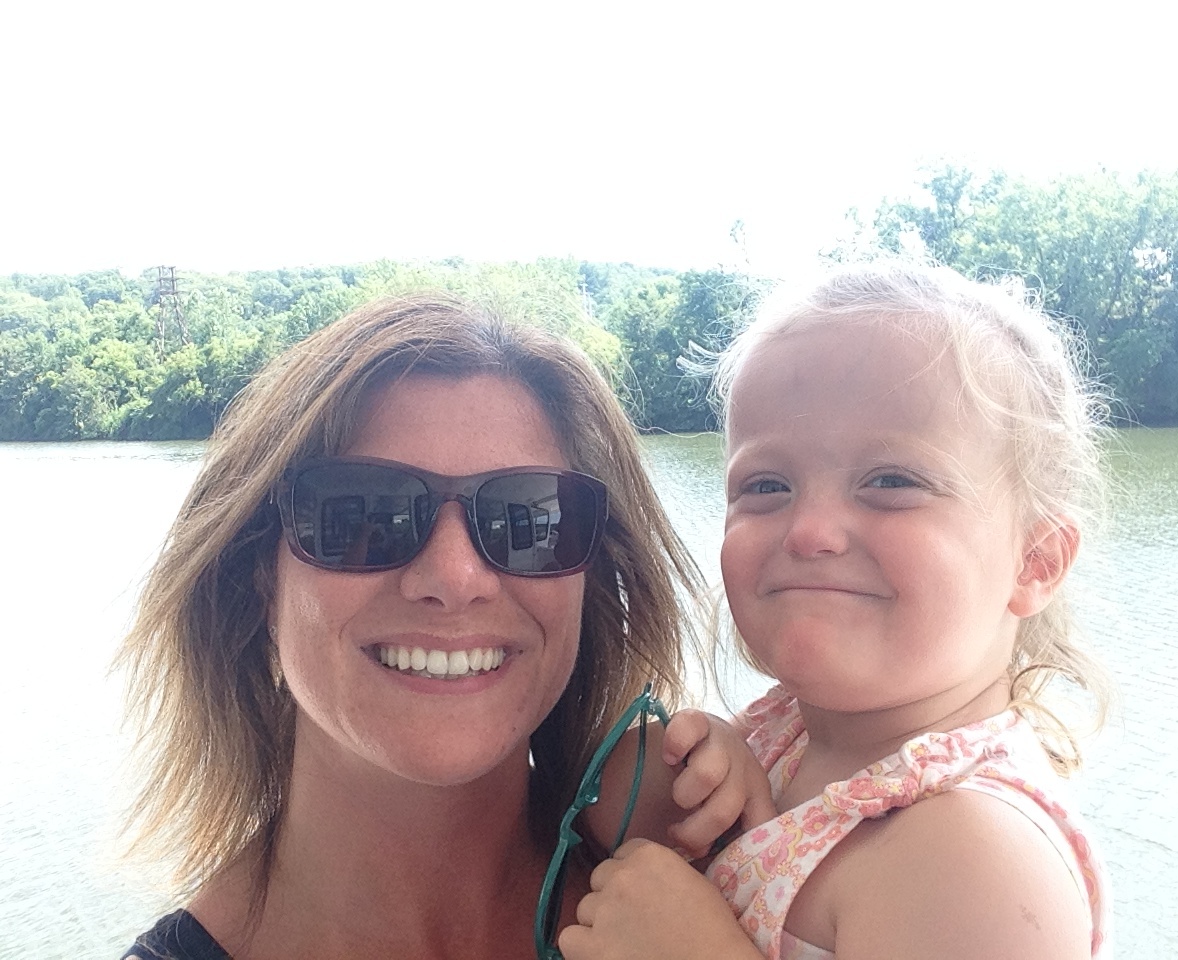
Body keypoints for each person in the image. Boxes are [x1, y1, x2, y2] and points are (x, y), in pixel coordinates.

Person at [115, 291, 712, 959]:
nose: (455, 578)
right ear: (259, 578)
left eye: (530, 520)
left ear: (588, 580)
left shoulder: (745, 884)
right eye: (363, 514)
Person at [559, 261, 1114, 960]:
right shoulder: (789, 741)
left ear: (1035, 561)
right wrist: (696, 766)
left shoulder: (974, 855)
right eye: (766, 484)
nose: (810, 532)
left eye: (891, 481)